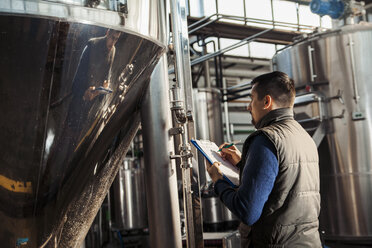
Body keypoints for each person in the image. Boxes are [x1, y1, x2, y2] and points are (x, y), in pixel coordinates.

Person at [206, 71, 321, 247]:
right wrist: (243, 163)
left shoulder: (265, 139)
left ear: (266, 102)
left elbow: (247, 211)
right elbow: (283, 182)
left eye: (252, 99)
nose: (248, 106)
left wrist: (218, 181)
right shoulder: (304, 137)